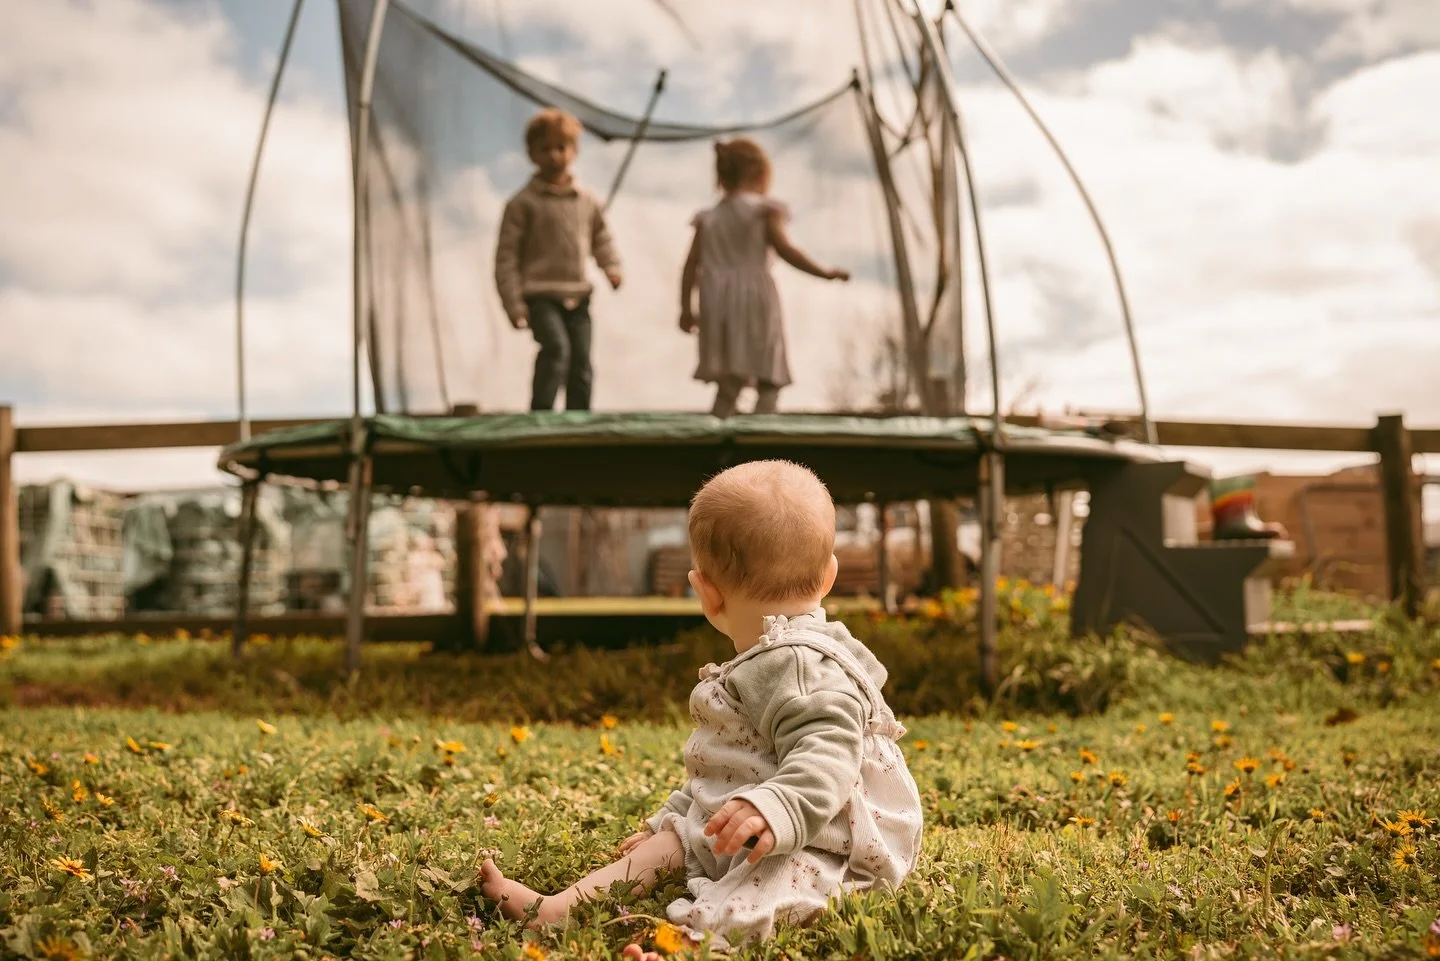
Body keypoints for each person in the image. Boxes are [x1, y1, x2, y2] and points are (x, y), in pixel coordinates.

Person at [480, 460, 923, 951]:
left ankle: (690, 944)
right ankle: (557, 909)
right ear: (830, 576)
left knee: (767, 886)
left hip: (832, 840)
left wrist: (777, 807)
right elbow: (727, 765)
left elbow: (829, 753)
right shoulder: (766, 660)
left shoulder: (799, 663)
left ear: (706, 594)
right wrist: (669, 817)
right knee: (671, 841)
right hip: (761, 816)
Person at [679, 138, 850, 418]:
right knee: (769, 377)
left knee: (729, 382)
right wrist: (825, 272)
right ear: (760, 174)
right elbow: (786, 249)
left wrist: (686, 308)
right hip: (755, 299)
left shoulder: (707, 218)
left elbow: (690, 267)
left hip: (716, 303)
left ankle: (718, 444)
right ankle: (762, 438)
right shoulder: (765, 210)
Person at [495, 107, 622, 411]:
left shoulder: (586, 201)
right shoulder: (522, 204)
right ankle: (541, 414)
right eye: (544, 149)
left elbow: (601, 238)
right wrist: (514, 303)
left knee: (581, 362)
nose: (553, 155)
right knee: (555, 350)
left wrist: (612, 267)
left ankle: (578, 420)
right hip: (541, 297)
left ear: (574, 152)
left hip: (578, 297)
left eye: (560, 148)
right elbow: (506, 258)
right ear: (531, 155)